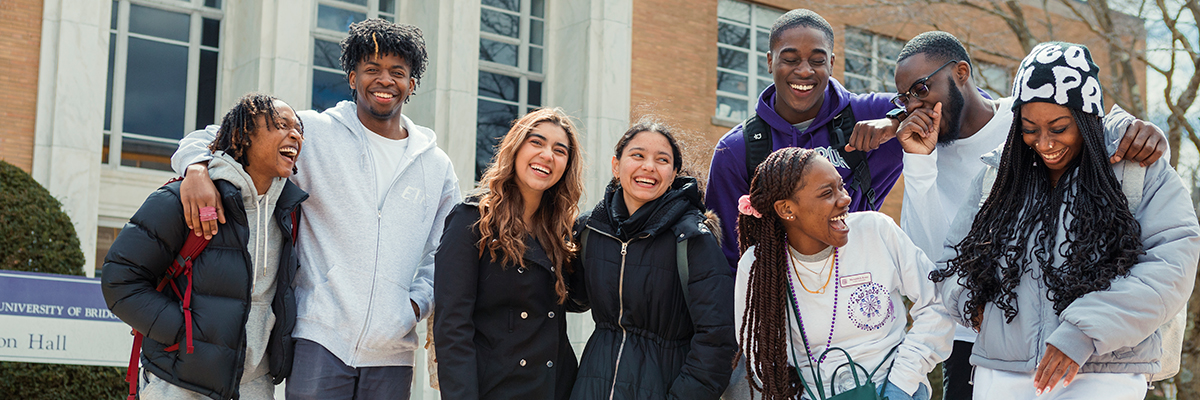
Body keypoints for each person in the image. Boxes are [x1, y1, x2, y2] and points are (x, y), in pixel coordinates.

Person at [170, 19, 460, 399]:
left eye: (397, 72)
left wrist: (416, 303)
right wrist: (195, 167)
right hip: (319, 335)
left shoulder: (436, 165)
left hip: (393, 351)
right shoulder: (312, 131)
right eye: (372, 69)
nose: (384, 80)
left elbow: (447, 248)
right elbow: (213, 135)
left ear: (412, 83)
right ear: (353, 78)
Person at [879, 31, 1171, 399]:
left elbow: (1167, 259)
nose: (913, 106)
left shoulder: (1029, 117)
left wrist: (1139, 130)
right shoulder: (968, 158)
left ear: (961, 73)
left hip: (1099, 359)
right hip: (987, 348)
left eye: (921, 89)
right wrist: (970, 303)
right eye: (904, 98)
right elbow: (938, 261)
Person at [102, 93, 307, 400]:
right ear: (244, 135)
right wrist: (187, 335)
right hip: (179, 383)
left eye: (298, 128)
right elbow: (120, 281)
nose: (294, 134)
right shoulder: (181, 199)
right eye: (281, 124)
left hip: (255, 384)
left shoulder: (289, 211)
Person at [734, 147, 951, 400]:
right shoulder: (758, 264)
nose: (845, 199)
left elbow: (937, 303)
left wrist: (901, 384)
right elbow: (761, 352)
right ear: (786, 209)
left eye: (841, 187)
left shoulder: (877, 230)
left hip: (898, 389)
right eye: (827, 193)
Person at [705, 9, 903, 271]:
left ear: (832, 63)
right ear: (769, 61)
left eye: (817, 61)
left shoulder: (870, 114)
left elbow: (959, 103)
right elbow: (725, 258)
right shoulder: (736, 149)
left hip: (855, 287)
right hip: (775, 298)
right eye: (789, 59)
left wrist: (896, 121)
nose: (804, 71)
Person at [570, 120, 737, 399]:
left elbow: (717, 340)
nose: (649, 166)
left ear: (672, 175)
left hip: (664, 386)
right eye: (638, 155)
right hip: (592, 386)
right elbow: (568, 298)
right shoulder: (591, 230)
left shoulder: (692, 237)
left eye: (662, 160)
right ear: (616, 165)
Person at [434, 108, 584, 400]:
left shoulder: (562, 231)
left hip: (555, 388)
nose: (547, 155)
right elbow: (452, 328)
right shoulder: (472, 220)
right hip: (496, 388)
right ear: (516, 148)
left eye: (559, 150)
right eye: (536, 142)